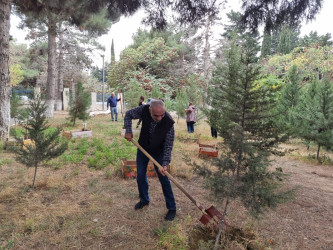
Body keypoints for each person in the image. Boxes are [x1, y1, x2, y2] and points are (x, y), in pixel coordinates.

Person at [124, 99, 177, 221]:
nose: (159, 118)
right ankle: (144, 200)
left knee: (164, 178)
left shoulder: (168, 123)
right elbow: (128, 114)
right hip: (143, 148)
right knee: (141, 175)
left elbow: (168, 146)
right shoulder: (143, 109)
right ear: (149, 110)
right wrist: (128, 130)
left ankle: (172, 208)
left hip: (159, 151)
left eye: (162, 115)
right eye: (155, 115)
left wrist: (165, 164)